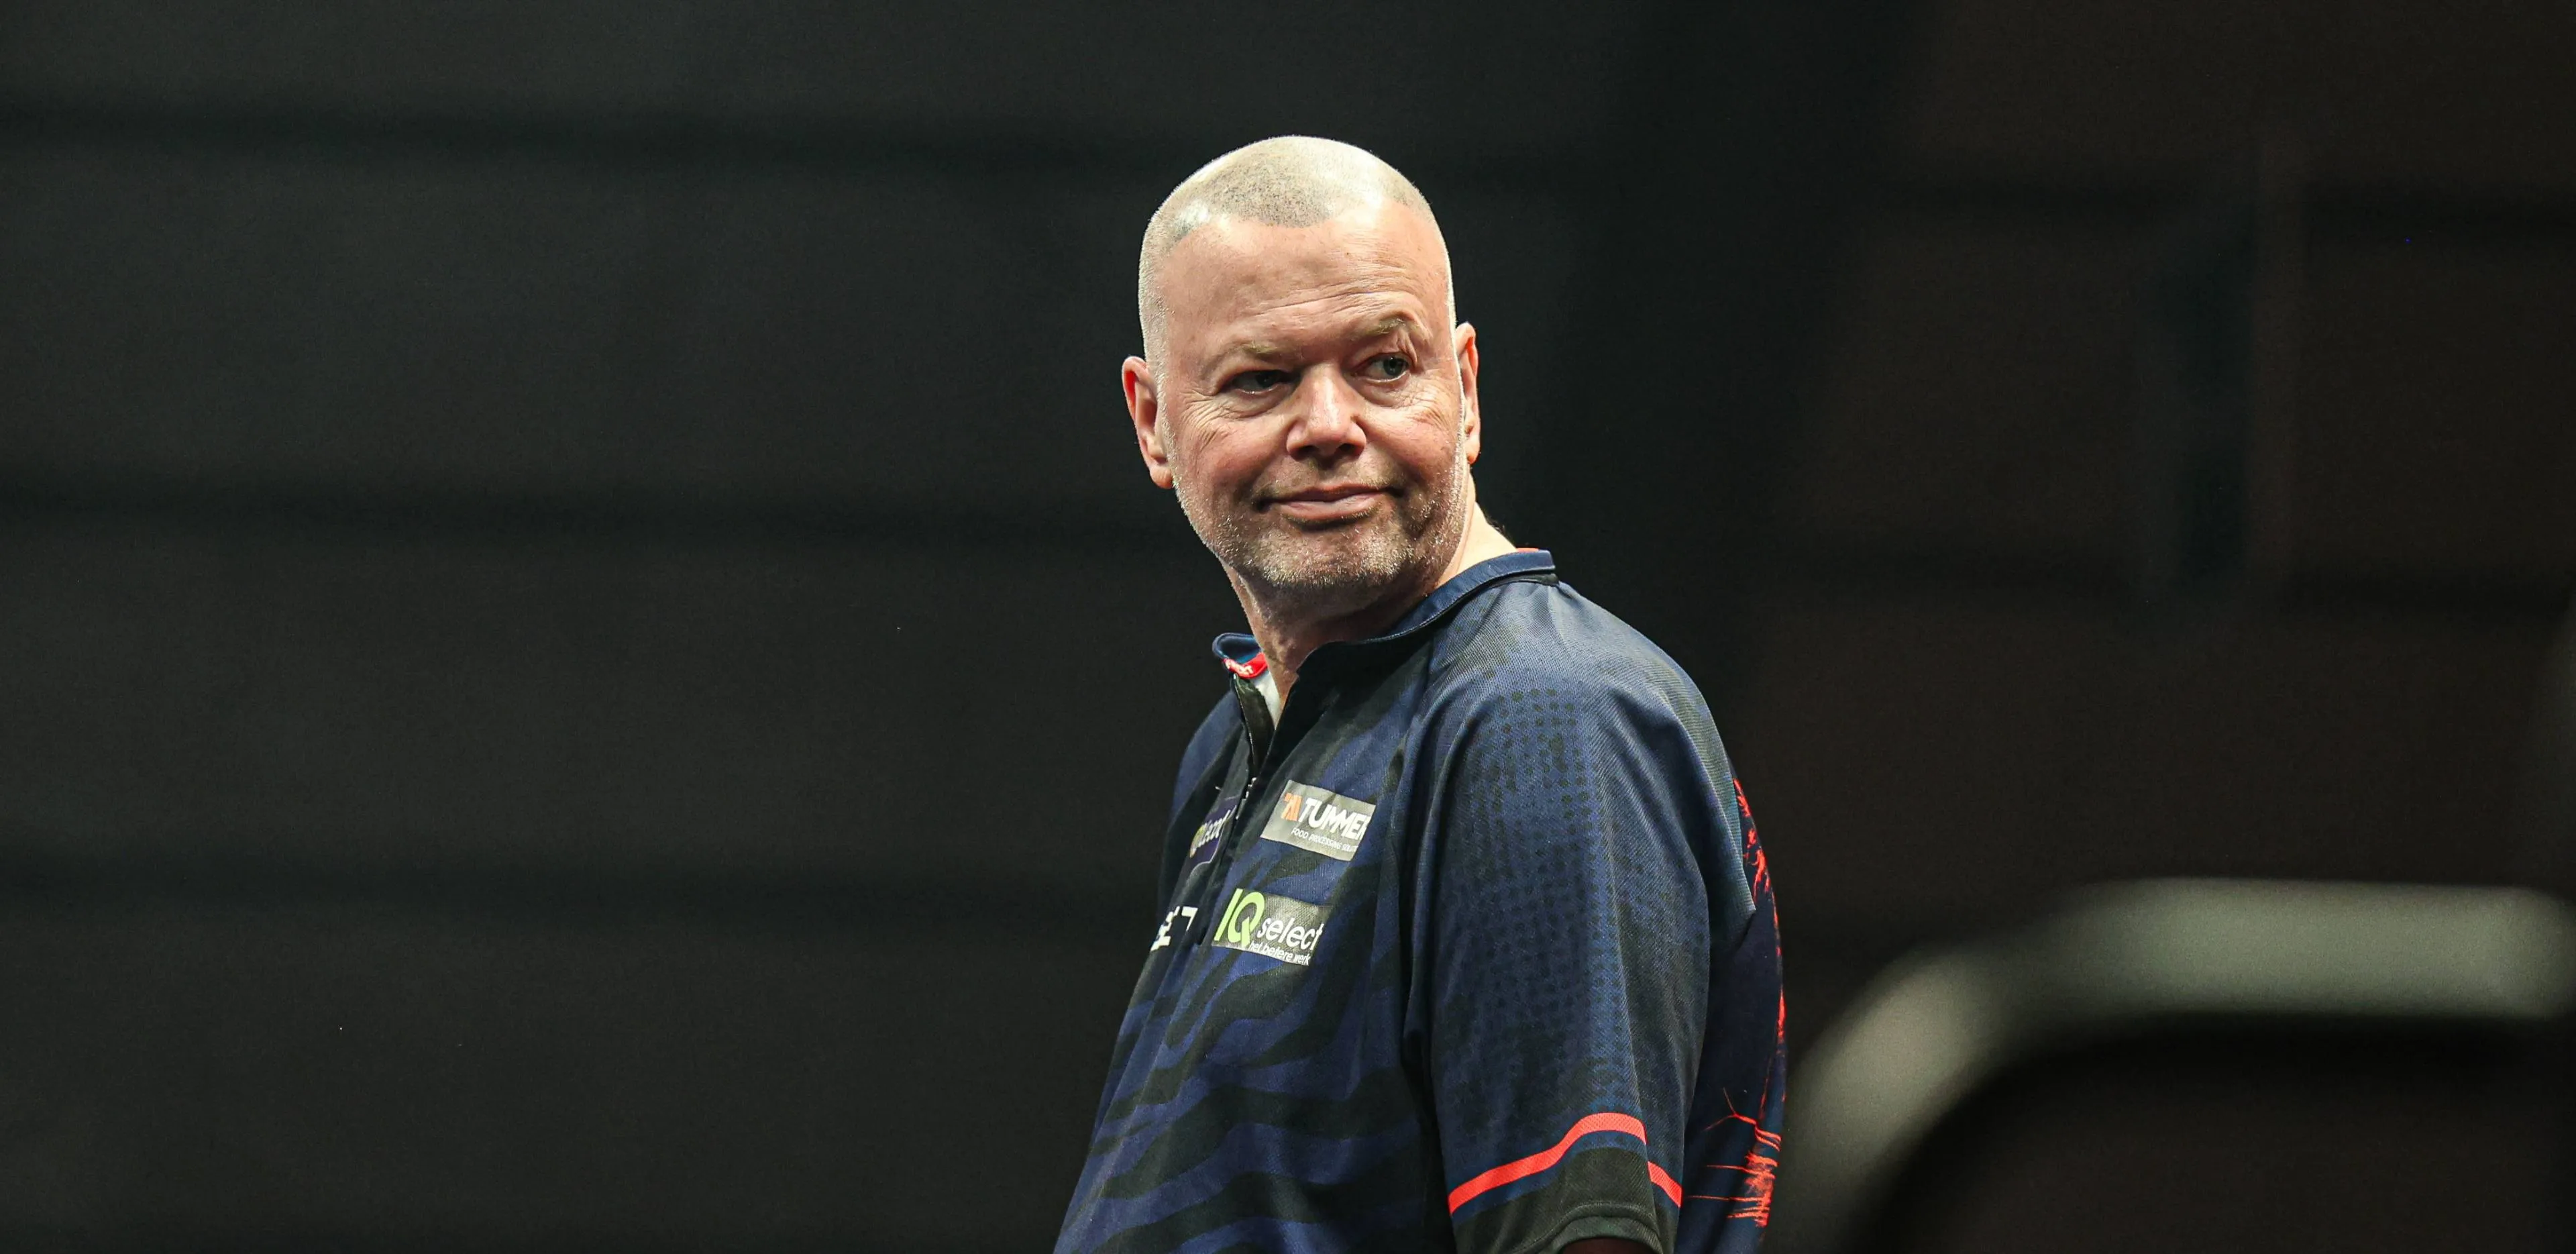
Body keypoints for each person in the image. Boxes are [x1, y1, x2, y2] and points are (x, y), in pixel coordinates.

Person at [1055, 136, 1784, 1254]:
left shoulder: (1543, 716)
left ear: (1467, 387)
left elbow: (1579, 1234)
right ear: (1153, 420)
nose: (1331, 426)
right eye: (1261, 379)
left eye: (1385, 367)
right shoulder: (1246, 738)